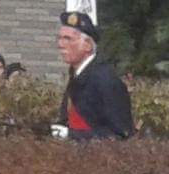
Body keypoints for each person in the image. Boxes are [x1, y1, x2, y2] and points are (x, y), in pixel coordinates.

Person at [55, 10, 133, 140]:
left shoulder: (106, 80)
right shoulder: (77, 76)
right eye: (60, 38)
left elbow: (120, 135)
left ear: (87, 45)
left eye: (68, 39)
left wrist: (70, 135)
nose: (60, 44)